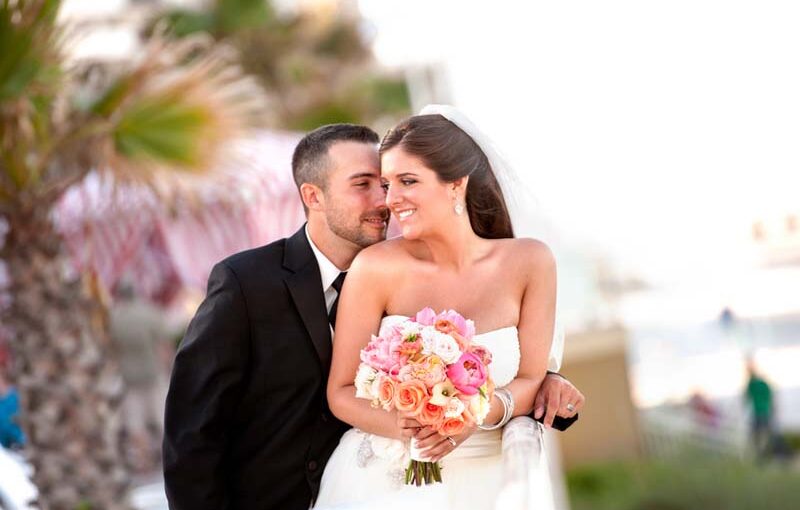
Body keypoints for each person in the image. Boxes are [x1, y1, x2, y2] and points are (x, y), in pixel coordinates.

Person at [163, 122, 584, 510]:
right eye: (367, 184)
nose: (385, 200)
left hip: (445, 477)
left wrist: (545, 380)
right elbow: (192, 429)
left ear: (456, 186)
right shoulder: (246, 282)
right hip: (286, 496)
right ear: (313, 196)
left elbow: (511, 361)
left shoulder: (407, 264)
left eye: (392, 182)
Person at [318, 106, 567, 509]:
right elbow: (341, 392)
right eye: (386, 183)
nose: (391, 199)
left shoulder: (531, 263)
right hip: (385, 485)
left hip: (490, 479)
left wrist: (472, 415)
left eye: (408, 181)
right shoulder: (375, 268)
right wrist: (409, 426)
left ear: (456, 185)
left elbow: (531, 379)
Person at [744, 358, 775, 460]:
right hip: (766, 412)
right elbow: (771, 398)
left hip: (758, 412)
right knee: (766, 434)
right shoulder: (764, 383)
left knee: (755, 435)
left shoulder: (751, 384)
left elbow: (746, 398)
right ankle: (765, 454)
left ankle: (760, 455)